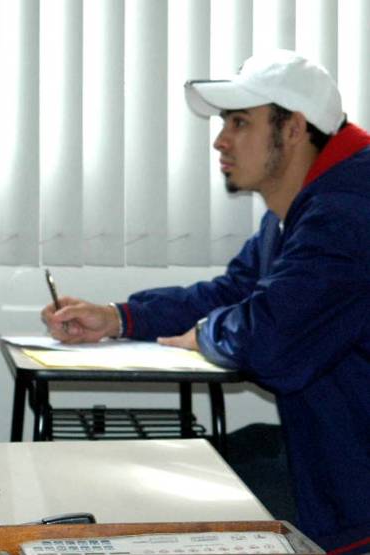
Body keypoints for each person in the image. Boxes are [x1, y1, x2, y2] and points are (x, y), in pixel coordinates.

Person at [41, 49, 370, 554]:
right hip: (338, 464)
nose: (221, 140)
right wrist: (119, 317)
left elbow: (268, 342)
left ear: (292, 128)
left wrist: (206, 333)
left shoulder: (346, 213)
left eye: (240, 122)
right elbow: (235, 291)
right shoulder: (302, 207)